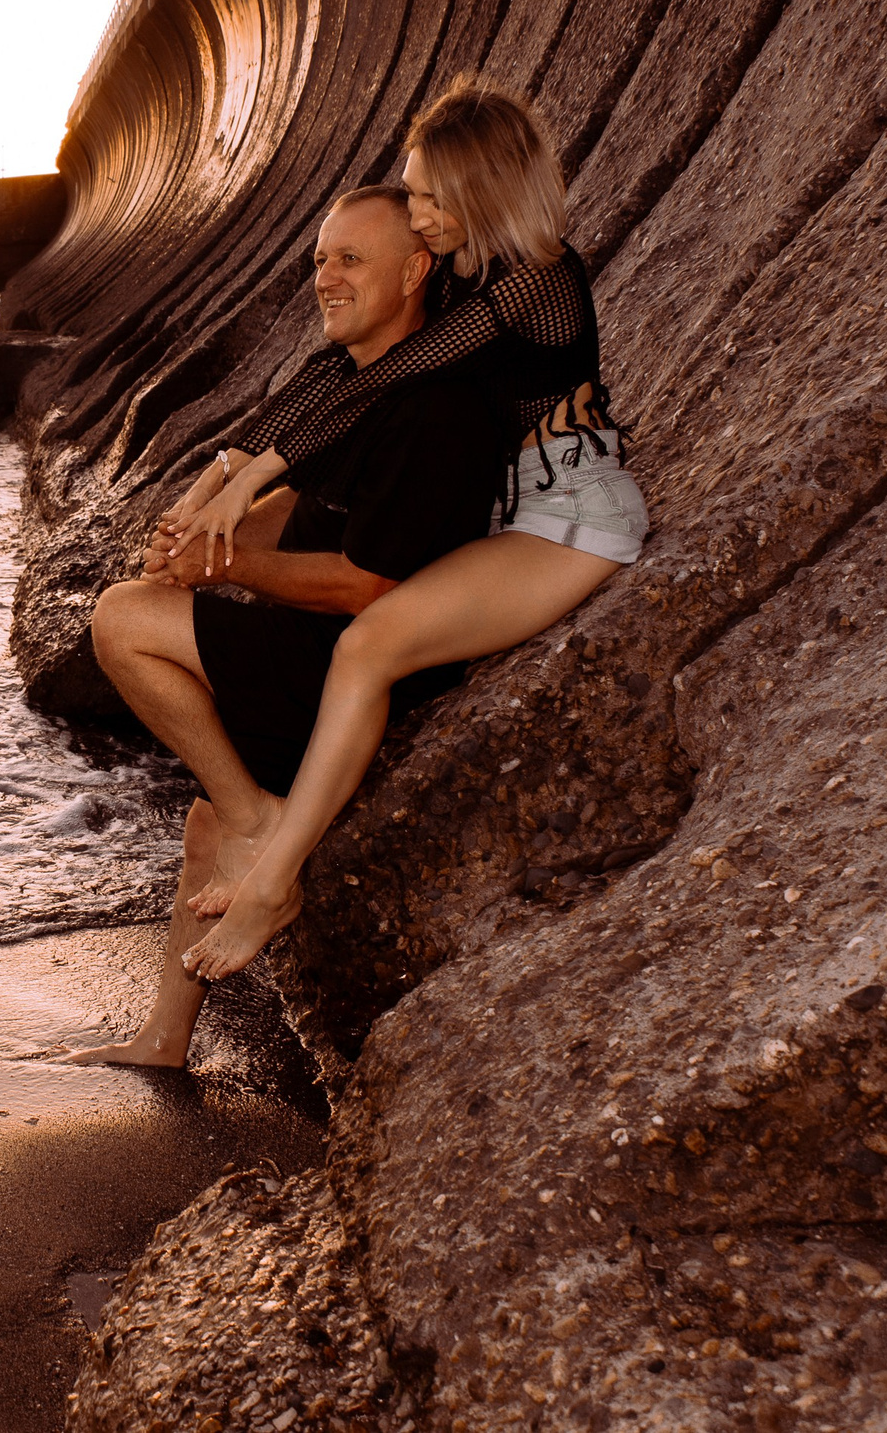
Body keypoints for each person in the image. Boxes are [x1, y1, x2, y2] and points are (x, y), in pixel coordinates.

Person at [161, 74, 651, 986]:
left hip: (575, 520)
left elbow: (388, 374)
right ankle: (262, 843)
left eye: (426, 195)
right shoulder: (475, 275)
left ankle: (273, 879)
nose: (416, 214)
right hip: (524, 515)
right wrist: (224, 468)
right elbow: (332, 371)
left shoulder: (539, 279)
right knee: (361, 629)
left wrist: (256, 473)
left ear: (476, 192)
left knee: (369, 644)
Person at [60, 187, 501, 1066]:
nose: (325, 279)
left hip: (362, 663)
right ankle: (163, 1038)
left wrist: (221, 567)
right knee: (199, 828)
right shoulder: (356, 377)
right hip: (313, 637)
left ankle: (257, 820)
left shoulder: (434, 407)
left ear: (416, 270)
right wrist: (205, 535)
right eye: (318, 260)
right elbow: (305, 498)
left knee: (123, 621)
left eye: (350, 260)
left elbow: (368, 585)